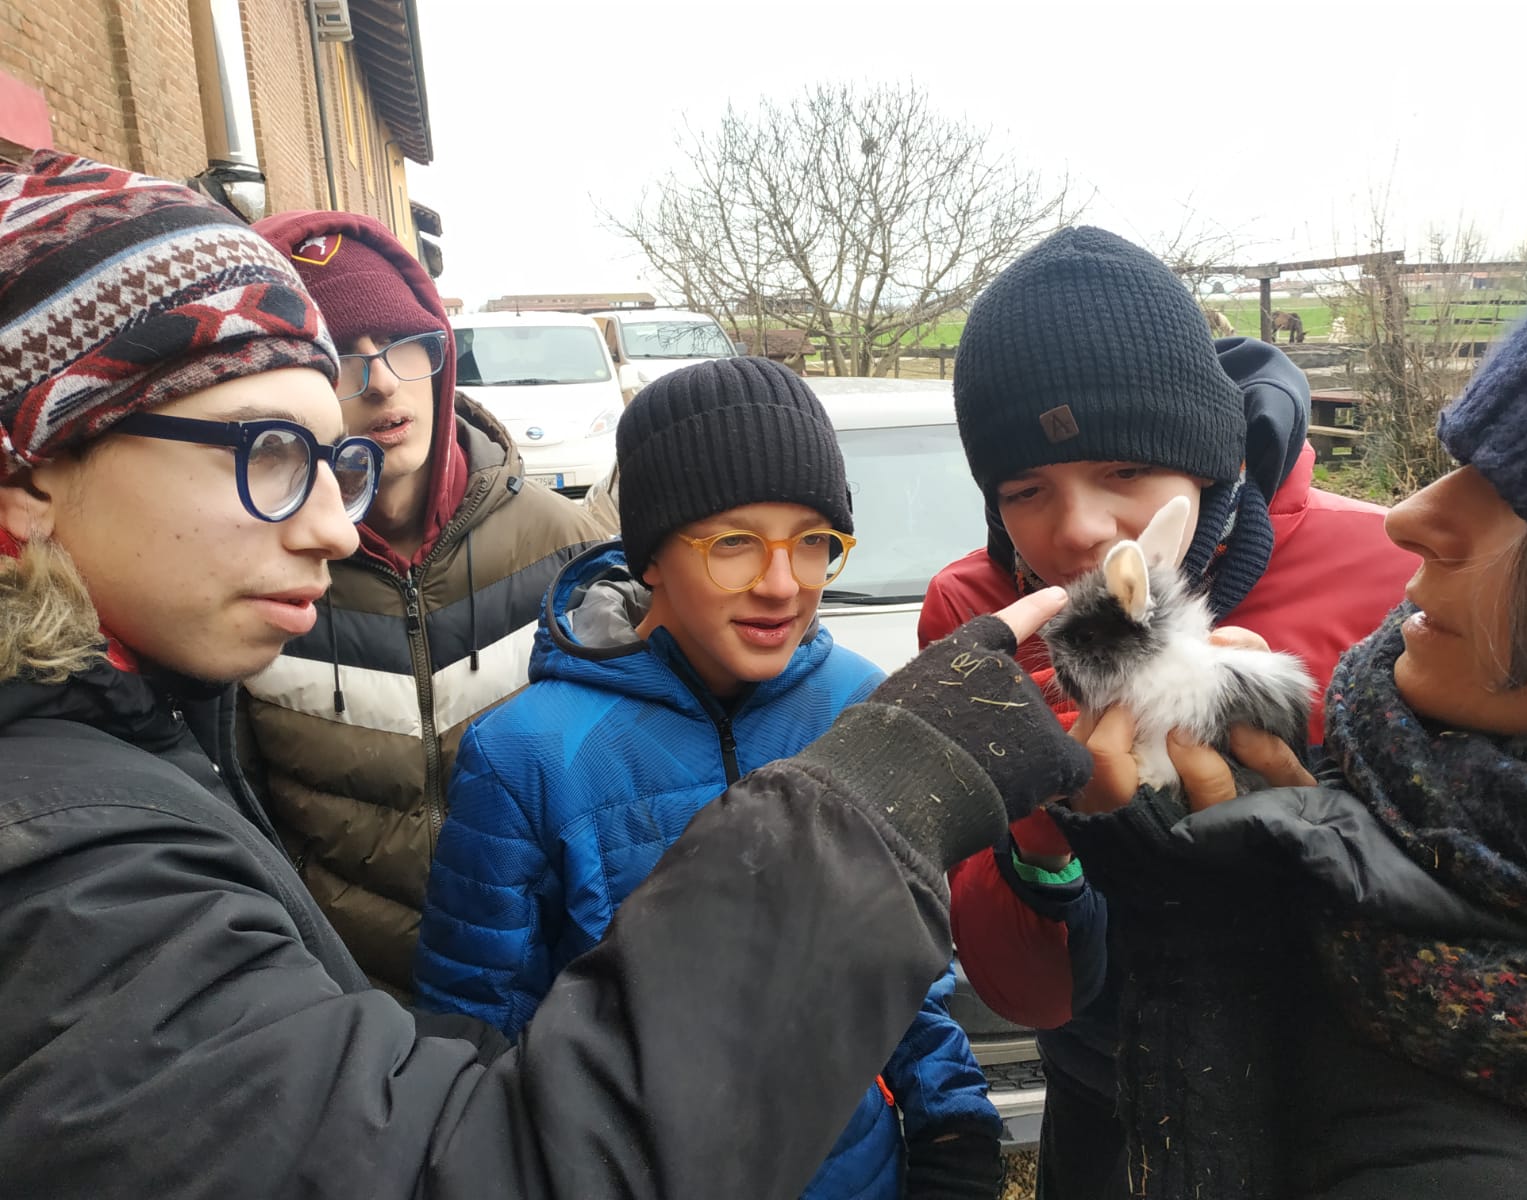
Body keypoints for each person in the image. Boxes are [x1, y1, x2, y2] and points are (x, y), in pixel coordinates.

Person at [0, 150, 1092, 1198]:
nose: (334, 528)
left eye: (817, 544)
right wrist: (877, 803)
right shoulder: (74, 856)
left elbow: (909, 995)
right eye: (268, 452)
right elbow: (471, 1088)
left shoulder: (146, 733)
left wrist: (948, 1122)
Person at [1047, 250, 1527, 1197]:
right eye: (1461, 463)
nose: (1409, 514)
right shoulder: (1398, 761)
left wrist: (1205, 950)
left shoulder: (1497, 1138)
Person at [415, 356, 1006, 1199]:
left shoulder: (860, 708)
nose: (782, 584)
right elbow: (477, 1034)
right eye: (734, 543)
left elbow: (901, 973)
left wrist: (953, 1125)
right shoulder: (526, 757)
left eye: (813, 542)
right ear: (651, 556)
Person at [917, 227, 1418, 1198]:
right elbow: (1023, 991)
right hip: (1104, 1086)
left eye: (1125, 472)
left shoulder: (1390, 572)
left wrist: (1316, 823)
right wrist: (1044, 825)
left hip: (1338, 1094)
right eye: (1024, 489)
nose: (1076, 530)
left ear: (1206, 460)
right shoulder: (979, 614)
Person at [238, 210, 604, 995]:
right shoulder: (258, 574)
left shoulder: (563, 545)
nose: (381, 382)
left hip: (543, 992)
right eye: (342, 355)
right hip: (348, 1001)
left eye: (406, 344)